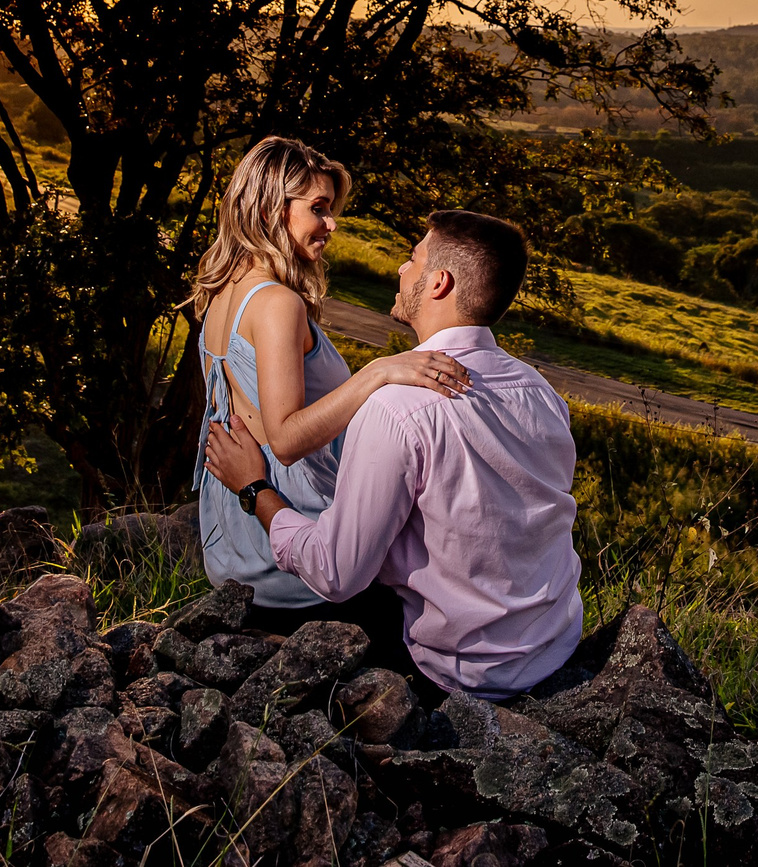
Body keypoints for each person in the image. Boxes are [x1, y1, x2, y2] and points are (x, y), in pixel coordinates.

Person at [204, 208, 583, 699]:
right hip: (555, 646)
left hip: (463, 673)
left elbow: (335, 573)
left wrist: (254, 489)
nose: (402, 270)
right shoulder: (543, 394)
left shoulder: (396, 409)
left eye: (412, 259)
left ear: (439, 283)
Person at [191, 136, 469, 642]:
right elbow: (287, 438)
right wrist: (379, 371)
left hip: (235, 546)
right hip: (295, 557)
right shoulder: (276, 303)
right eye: (318, 209)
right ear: (271, 207)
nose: (332, 224)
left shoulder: (223, 290)